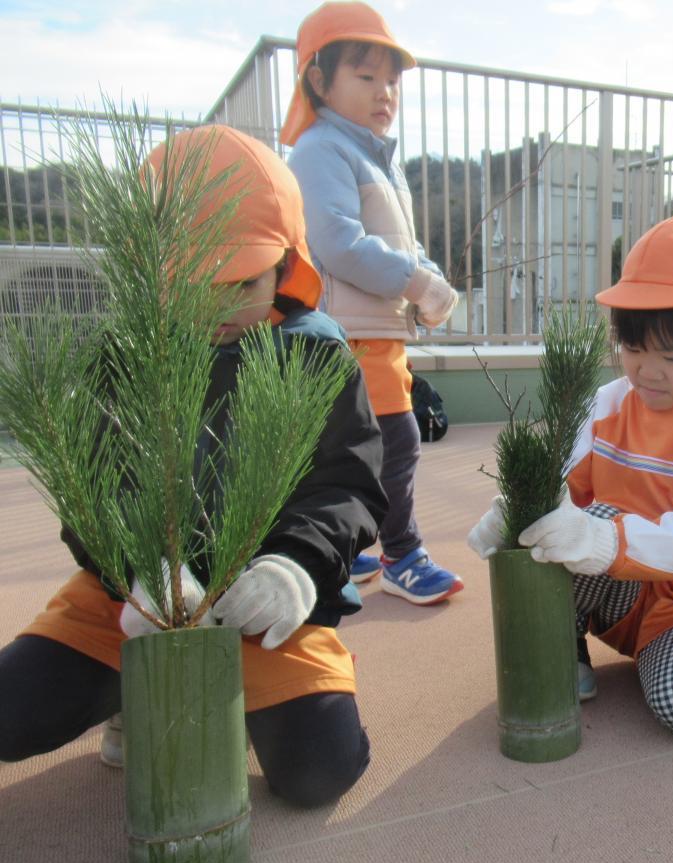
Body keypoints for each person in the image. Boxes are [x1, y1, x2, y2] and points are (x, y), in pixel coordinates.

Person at [0, 126, 387, 808]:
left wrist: (295, 565)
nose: (218, 306)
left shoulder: (314, 353)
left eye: (242, 281)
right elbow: (90, 487)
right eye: (189, 282)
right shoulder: (122, 356)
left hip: (263, 603)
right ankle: (136, 690)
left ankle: (267, 690)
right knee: (10, 713)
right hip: (134, 599)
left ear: (286, 263)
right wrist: (136, 571)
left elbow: (346, 483)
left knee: (319, 771)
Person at [468, 209, 673, 736]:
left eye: (671, 354)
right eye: (633, 348)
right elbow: (563, 489)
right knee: (570, 523)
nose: (646, 370)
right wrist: (514, 513)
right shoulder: (609, 402)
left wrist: (600, 539)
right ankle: (565, 644)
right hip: (618, 593)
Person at [285, 1, 463, 605]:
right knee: (396, 441)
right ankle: (402, 555)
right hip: (350, 334)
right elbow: (338, 242)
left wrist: (429, 279)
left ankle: (347, 549)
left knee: (356, 448)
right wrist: (415, 283)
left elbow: (401, 246)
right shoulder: (320, 150)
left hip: (375, 330)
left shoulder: (373, 156)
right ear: (319, 81)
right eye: (365, 76)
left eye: (391, 81)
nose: (384, 92)